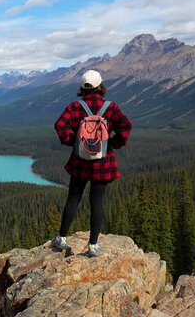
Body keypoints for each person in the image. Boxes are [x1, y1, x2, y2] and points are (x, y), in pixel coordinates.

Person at [51, 70, 132, 257]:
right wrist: (111, 143)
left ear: (82, 87)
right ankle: (93, 245)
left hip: (80, 161)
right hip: (103, 162)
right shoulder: (110, 107)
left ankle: (61, 238)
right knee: (97, 202)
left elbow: (60, 125)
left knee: (73, 198)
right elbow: (126, 125)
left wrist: (74, 142)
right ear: (100, 86)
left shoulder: (75, 107)